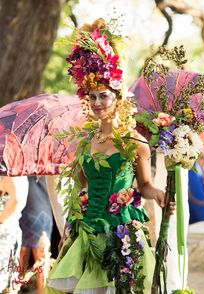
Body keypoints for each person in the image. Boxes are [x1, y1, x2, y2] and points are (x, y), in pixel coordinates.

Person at [45, 18, 175, 294]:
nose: (96, 104)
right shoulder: (85, 141)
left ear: (117, 96)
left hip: (121, 233)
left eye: (103, 96)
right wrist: (69, 230)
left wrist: (160, 194)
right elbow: (81, 187)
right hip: (87, 233)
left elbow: (144, 186)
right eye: (91, 97)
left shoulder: (135, 142)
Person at [19, 176, 53, 294]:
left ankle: (21, 286)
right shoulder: (47, 163)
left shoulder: (20, 162)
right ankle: (38, 290)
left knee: (25, 250)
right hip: (41, 210)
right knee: (40, 258)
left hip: (29, 209)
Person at [0, 176, 28, 293]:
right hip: (9, 232)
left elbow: (17, 199)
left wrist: (1, 219)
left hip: (6, 234)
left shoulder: (10, 171)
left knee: (5, 283)